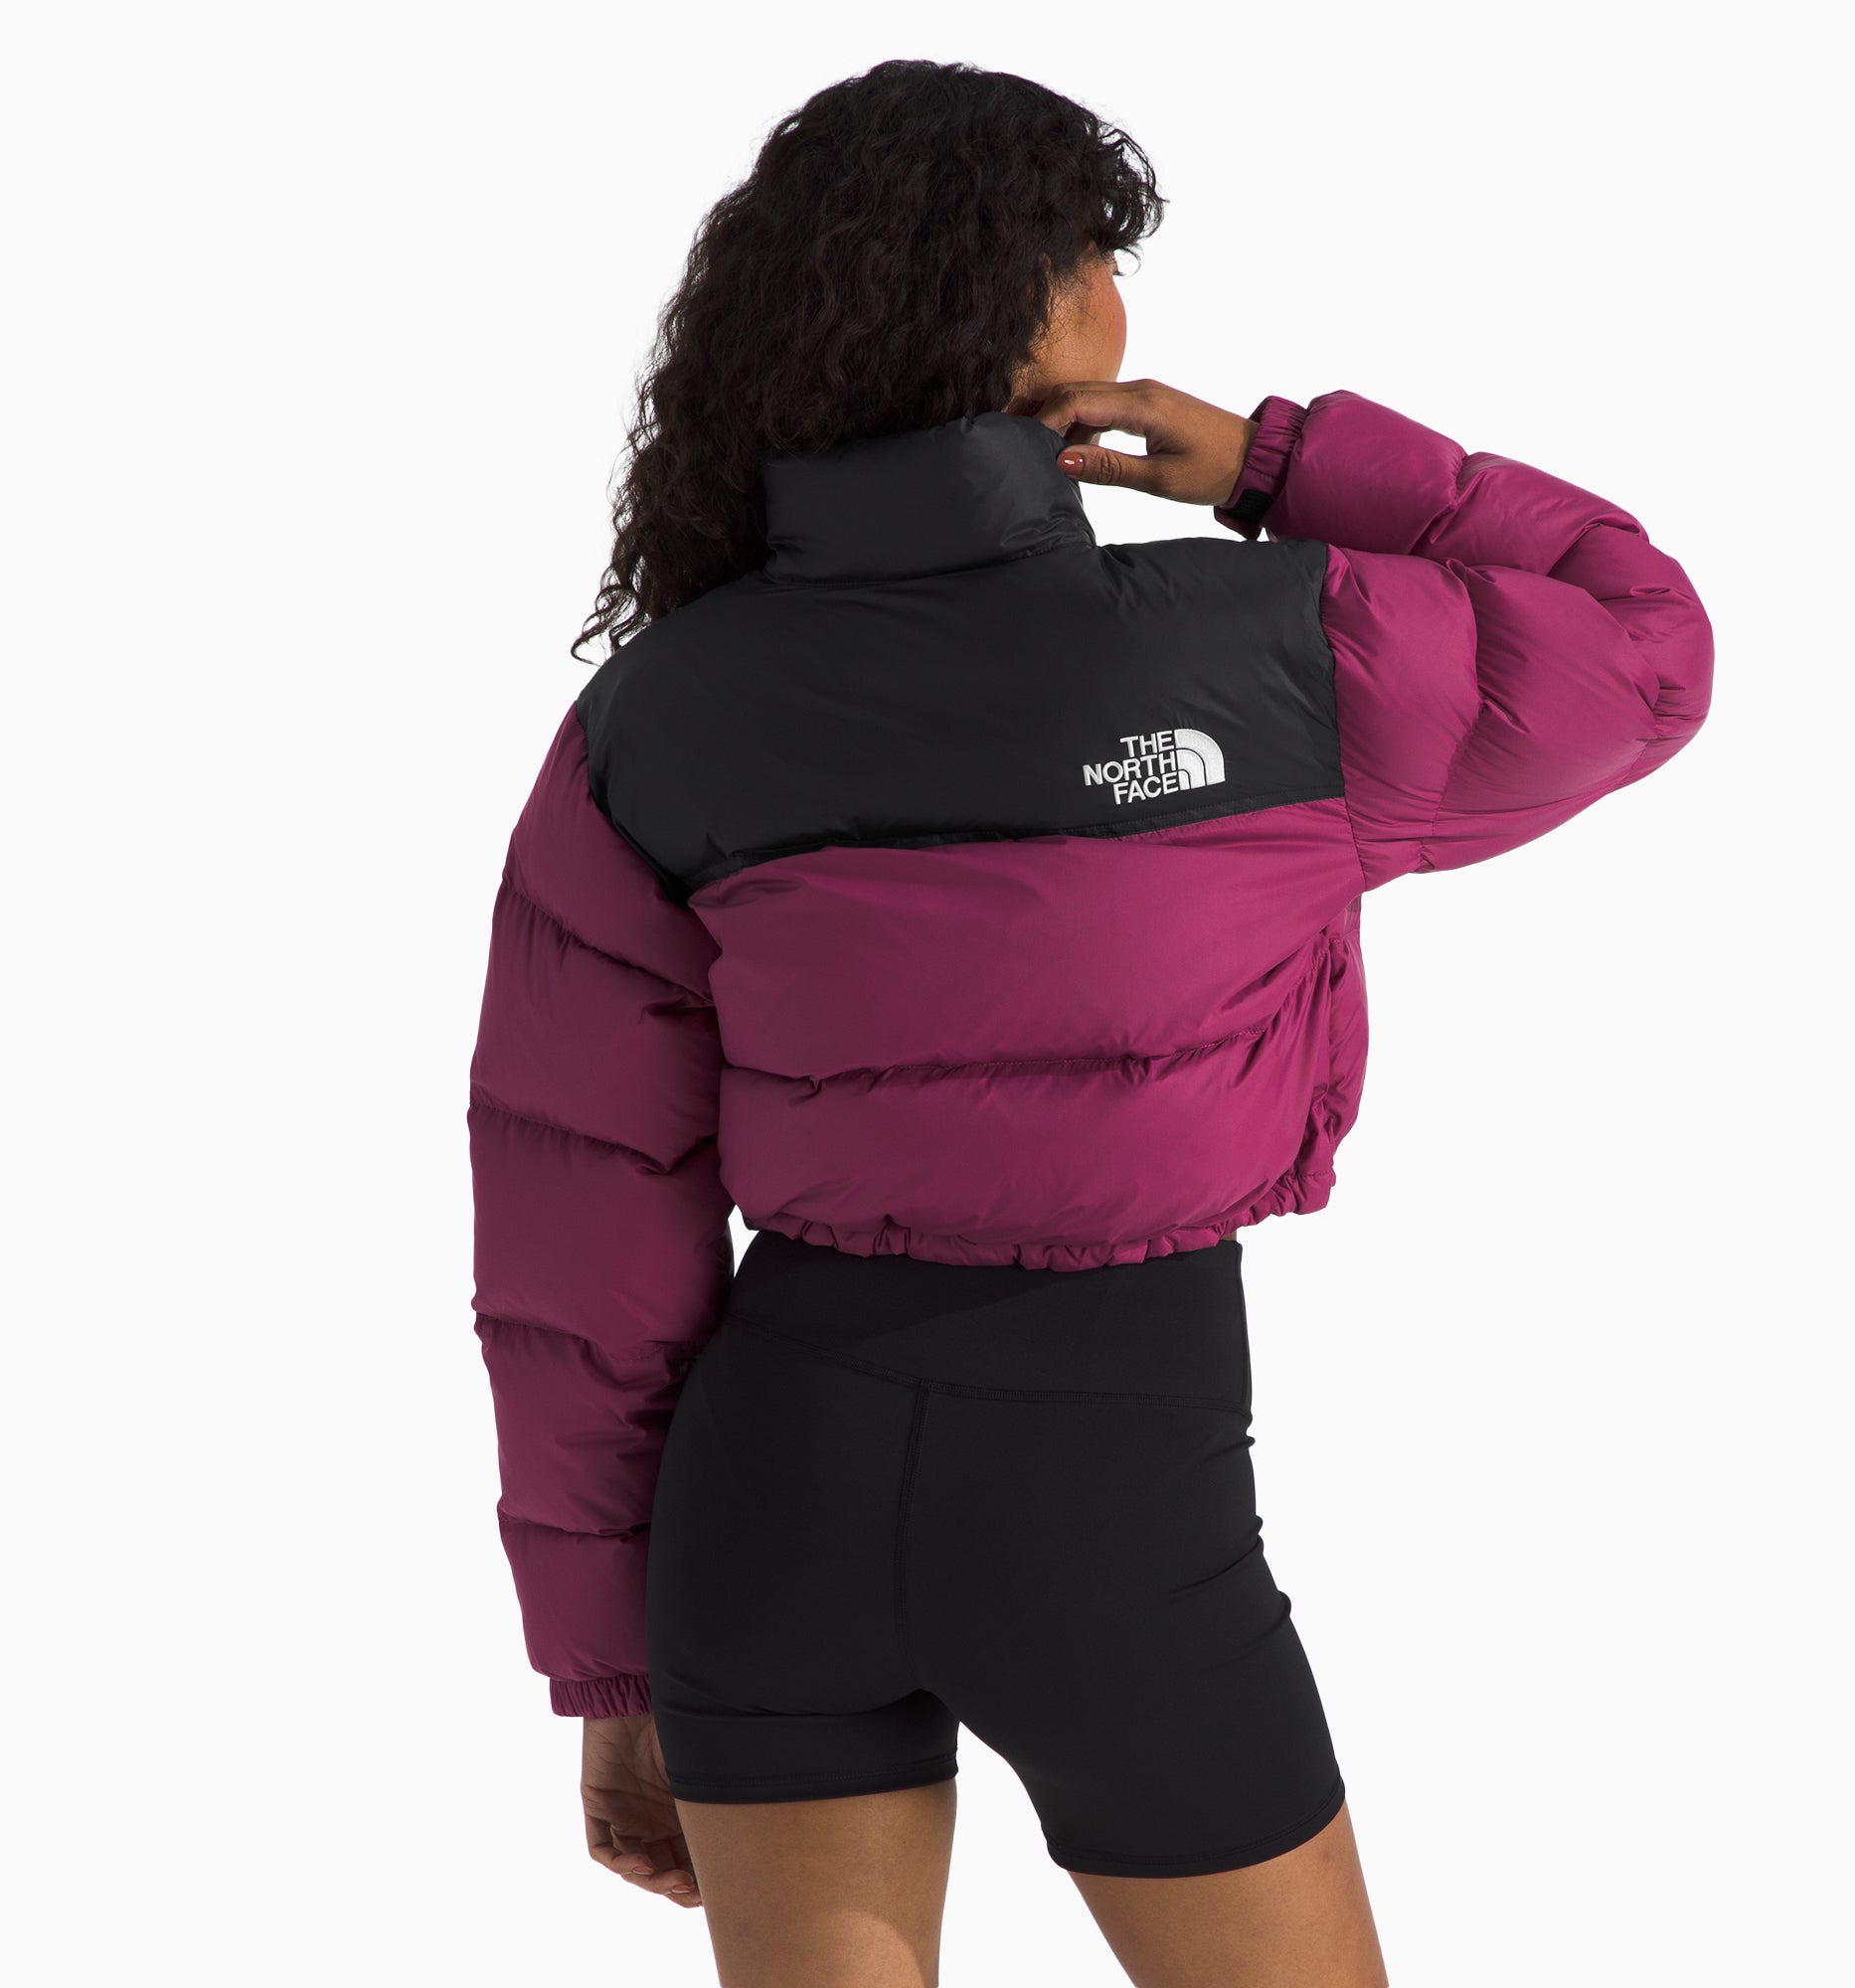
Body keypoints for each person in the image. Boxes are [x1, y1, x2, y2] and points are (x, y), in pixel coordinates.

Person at [466, 59, 1712, 1988]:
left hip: (769, 1490)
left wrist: (615, 1665)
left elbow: (578, 1224)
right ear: (1033, 306)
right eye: (1095, 258)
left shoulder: (660, 709)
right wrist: (1282, 464)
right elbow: (1640, 641)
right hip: (1109, 1490)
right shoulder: (1281, 650)